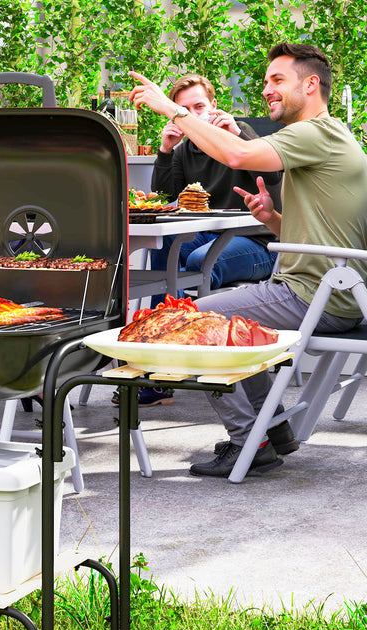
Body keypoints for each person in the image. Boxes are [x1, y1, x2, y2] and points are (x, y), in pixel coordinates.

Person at [130, 42, 367, 477]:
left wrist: (172, 109)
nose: (267, 90)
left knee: (182, 323)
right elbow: (324, 237)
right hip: (326, 290)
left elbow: (236, 154)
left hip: (315, 295)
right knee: (230, 325)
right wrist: (272, 217)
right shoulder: (331, 137)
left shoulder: (316, 132)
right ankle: (271, 433)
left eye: (278, 80)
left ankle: (248, 442)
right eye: (265, 82)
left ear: (311, 84)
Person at [132, 73, 284, 409]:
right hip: (209, 234)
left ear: (214, 105)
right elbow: (163, 196)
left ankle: (196, 356)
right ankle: (160, 361)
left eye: (199, 106)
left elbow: (274, 177)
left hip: (257, 242)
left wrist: (238, 135)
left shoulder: (242, 137)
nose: (193, 114)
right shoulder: (186, 150)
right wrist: (166, 149)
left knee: (200, 261)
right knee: (164, 249)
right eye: (184, 109)